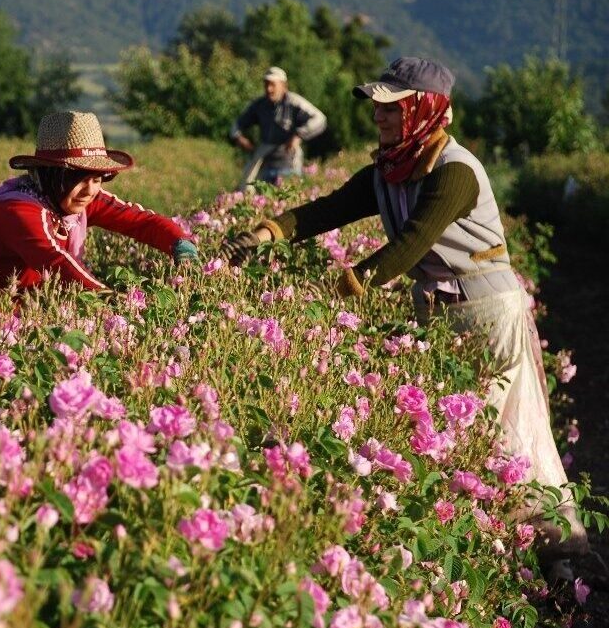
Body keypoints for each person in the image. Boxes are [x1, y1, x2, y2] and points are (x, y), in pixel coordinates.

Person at [222, 57, 588, 570]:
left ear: (424, 108)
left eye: (391, 106)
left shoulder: (454, 170)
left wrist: (339, 290)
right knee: (482, 432)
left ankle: (543, 549)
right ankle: (521, 546)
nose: (378, 113)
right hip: (445, 313)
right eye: (377, 104)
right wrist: (264, 233)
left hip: (484, 311)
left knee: (484, 433)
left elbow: (411, 244)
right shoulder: (391, 168)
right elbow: (329, 208)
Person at [0, 111, 197, 317]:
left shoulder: (75, 198)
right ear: (50, 175)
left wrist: (179, 243)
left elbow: (139, 221)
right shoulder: (17, 211)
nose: (90, 189)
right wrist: (114, 302)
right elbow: (55, 262)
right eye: (78, 176)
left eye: (99, 178)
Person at [230, 66, 327, 187]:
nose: (268, 89)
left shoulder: (294, 102)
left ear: (283, 86)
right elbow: (237, 124)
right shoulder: (260, 105)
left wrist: (298, 135)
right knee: (254, 195)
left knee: (288, 200)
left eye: (272, 85)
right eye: (266, 85)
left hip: (288, 164)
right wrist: (238, 138)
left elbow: (319, 119)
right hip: (265, 165)